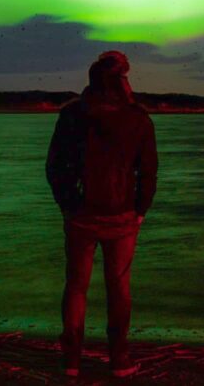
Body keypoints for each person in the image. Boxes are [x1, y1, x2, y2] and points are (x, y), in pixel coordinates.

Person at [45, 50, 158, 378]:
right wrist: (141, 209)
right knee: (119, 287)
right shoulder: (137, 118)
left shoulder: (72, 114)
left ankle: (71, 360)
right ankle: (119, 359)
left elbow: (55, 166)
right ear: (122, 80)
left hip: (81, 214)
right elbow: (148, 171)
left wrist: (68, 203)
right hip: (121, 214)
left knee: (76, 286)